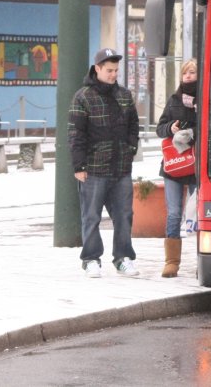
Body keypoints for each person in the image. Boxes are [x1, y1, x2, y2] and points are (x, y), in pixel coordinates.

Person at [68, 47, 141, 278]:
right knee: (91, 216)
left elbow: (133, 126)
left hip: (121, 168)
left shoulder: (124, 95)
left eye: (116, 70)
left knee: (124, 215)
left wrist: (130, 149)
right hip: (93, 169)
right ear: (97, 68)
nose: (113, 75)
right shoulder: (82, 97)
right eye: (109, 70)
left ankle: (123, 258)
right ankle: (90, 259)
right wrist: (79, 166)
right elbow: (75, 134)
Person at [155, 58, 198, 278]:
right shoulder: (174, 100)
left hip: (196, 168)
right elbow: (159, 129)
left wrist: (194, 133)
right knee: (174, 213)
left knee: (199, 214)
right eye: (185, 73)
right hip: (173, 166)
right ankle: (171, 262)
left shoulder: (205, 98)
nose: (188, 76)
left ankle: (203, 258)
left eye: (192, 72)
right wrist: (170, 129)